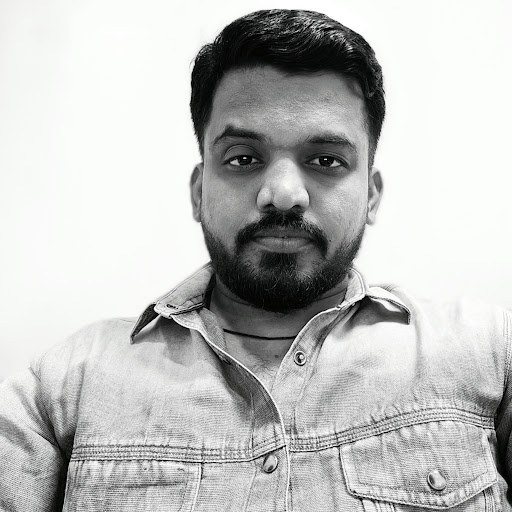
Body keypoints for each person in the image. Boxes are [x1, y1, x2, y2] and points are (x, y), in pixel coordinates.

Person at [0, 8, 511, 511]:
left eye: (326, 160)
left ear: (371, 195)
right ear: (199, 191)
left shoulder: (489, 353)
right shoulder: (64, 387)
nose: (283, 194)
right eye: (243, 158)